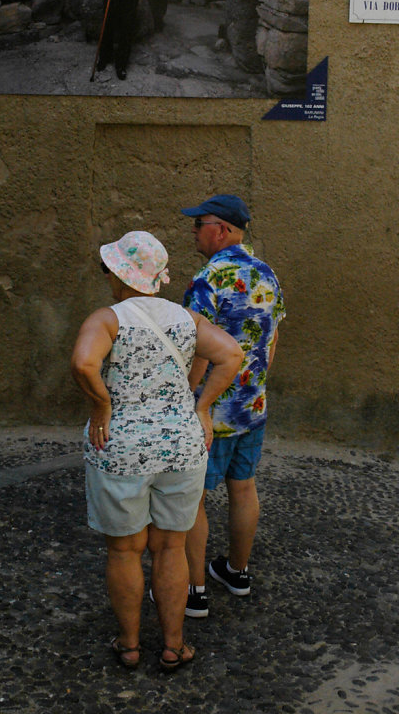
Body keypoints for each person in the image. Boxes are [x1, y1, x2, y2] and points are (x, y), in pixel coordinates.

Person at [71, 231, 242, 672]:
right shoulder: (187, 318)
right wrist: (201, 409)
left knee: (125, 551)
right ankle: (173, 645)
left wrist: (102, 404)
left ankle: (129, 645)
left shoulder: (108, 318)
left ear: (119, 274)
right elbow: (231, 354)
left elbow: (83, 363)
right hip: (182, 445)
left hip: (121, 444)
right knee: (171, 547)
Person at [181, 194, 285, 618]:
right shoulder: (267, 274)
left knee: (193, 501)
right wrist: (255, 386)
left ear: (220, 229)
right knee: (243, 488)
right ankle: (237, 572)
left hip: (211, 411)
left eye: (198, 223)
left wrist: (189, 400)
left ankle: (193, 591)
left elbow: (198, 347)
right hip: (251, 407)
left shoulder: (209, 279)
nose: (193, 231)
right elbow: (272, 339)